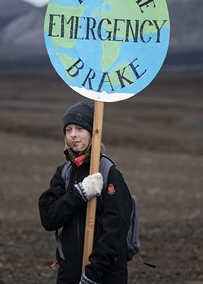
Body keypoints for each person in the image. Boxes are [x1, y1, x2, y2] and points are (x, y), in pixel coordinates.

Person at [39, 101, 133, 284]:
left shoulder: (108, 173)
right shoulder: (64, 173)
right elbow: (49, 219)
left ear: (92, 132)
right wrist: (79, 194)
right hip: (69, 275)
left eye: (80, 129)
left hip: (105, 276)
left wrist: (92, 274)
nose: (73, 135)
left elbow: (116, 228)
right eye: (69, 129)